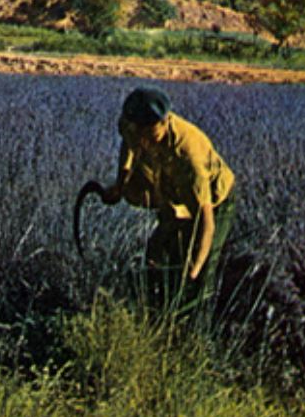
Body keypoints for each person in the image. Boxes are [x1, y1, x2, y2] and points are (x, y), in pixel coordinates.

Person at [100, 86, 236, 313]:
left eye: (149, 134)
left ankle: (195, 334)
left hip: (213, 201)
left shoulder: (187, 155)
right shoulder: (131, 126)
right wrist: (121, 183)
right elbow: (129, 145)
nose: (142, 141)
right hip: (172, 189)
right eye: (137, 134)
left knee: (197, 279)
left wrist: (194, 269)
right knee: (156, 256)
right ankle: (155, 313)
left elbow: (206, 221)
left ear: (165, 122)